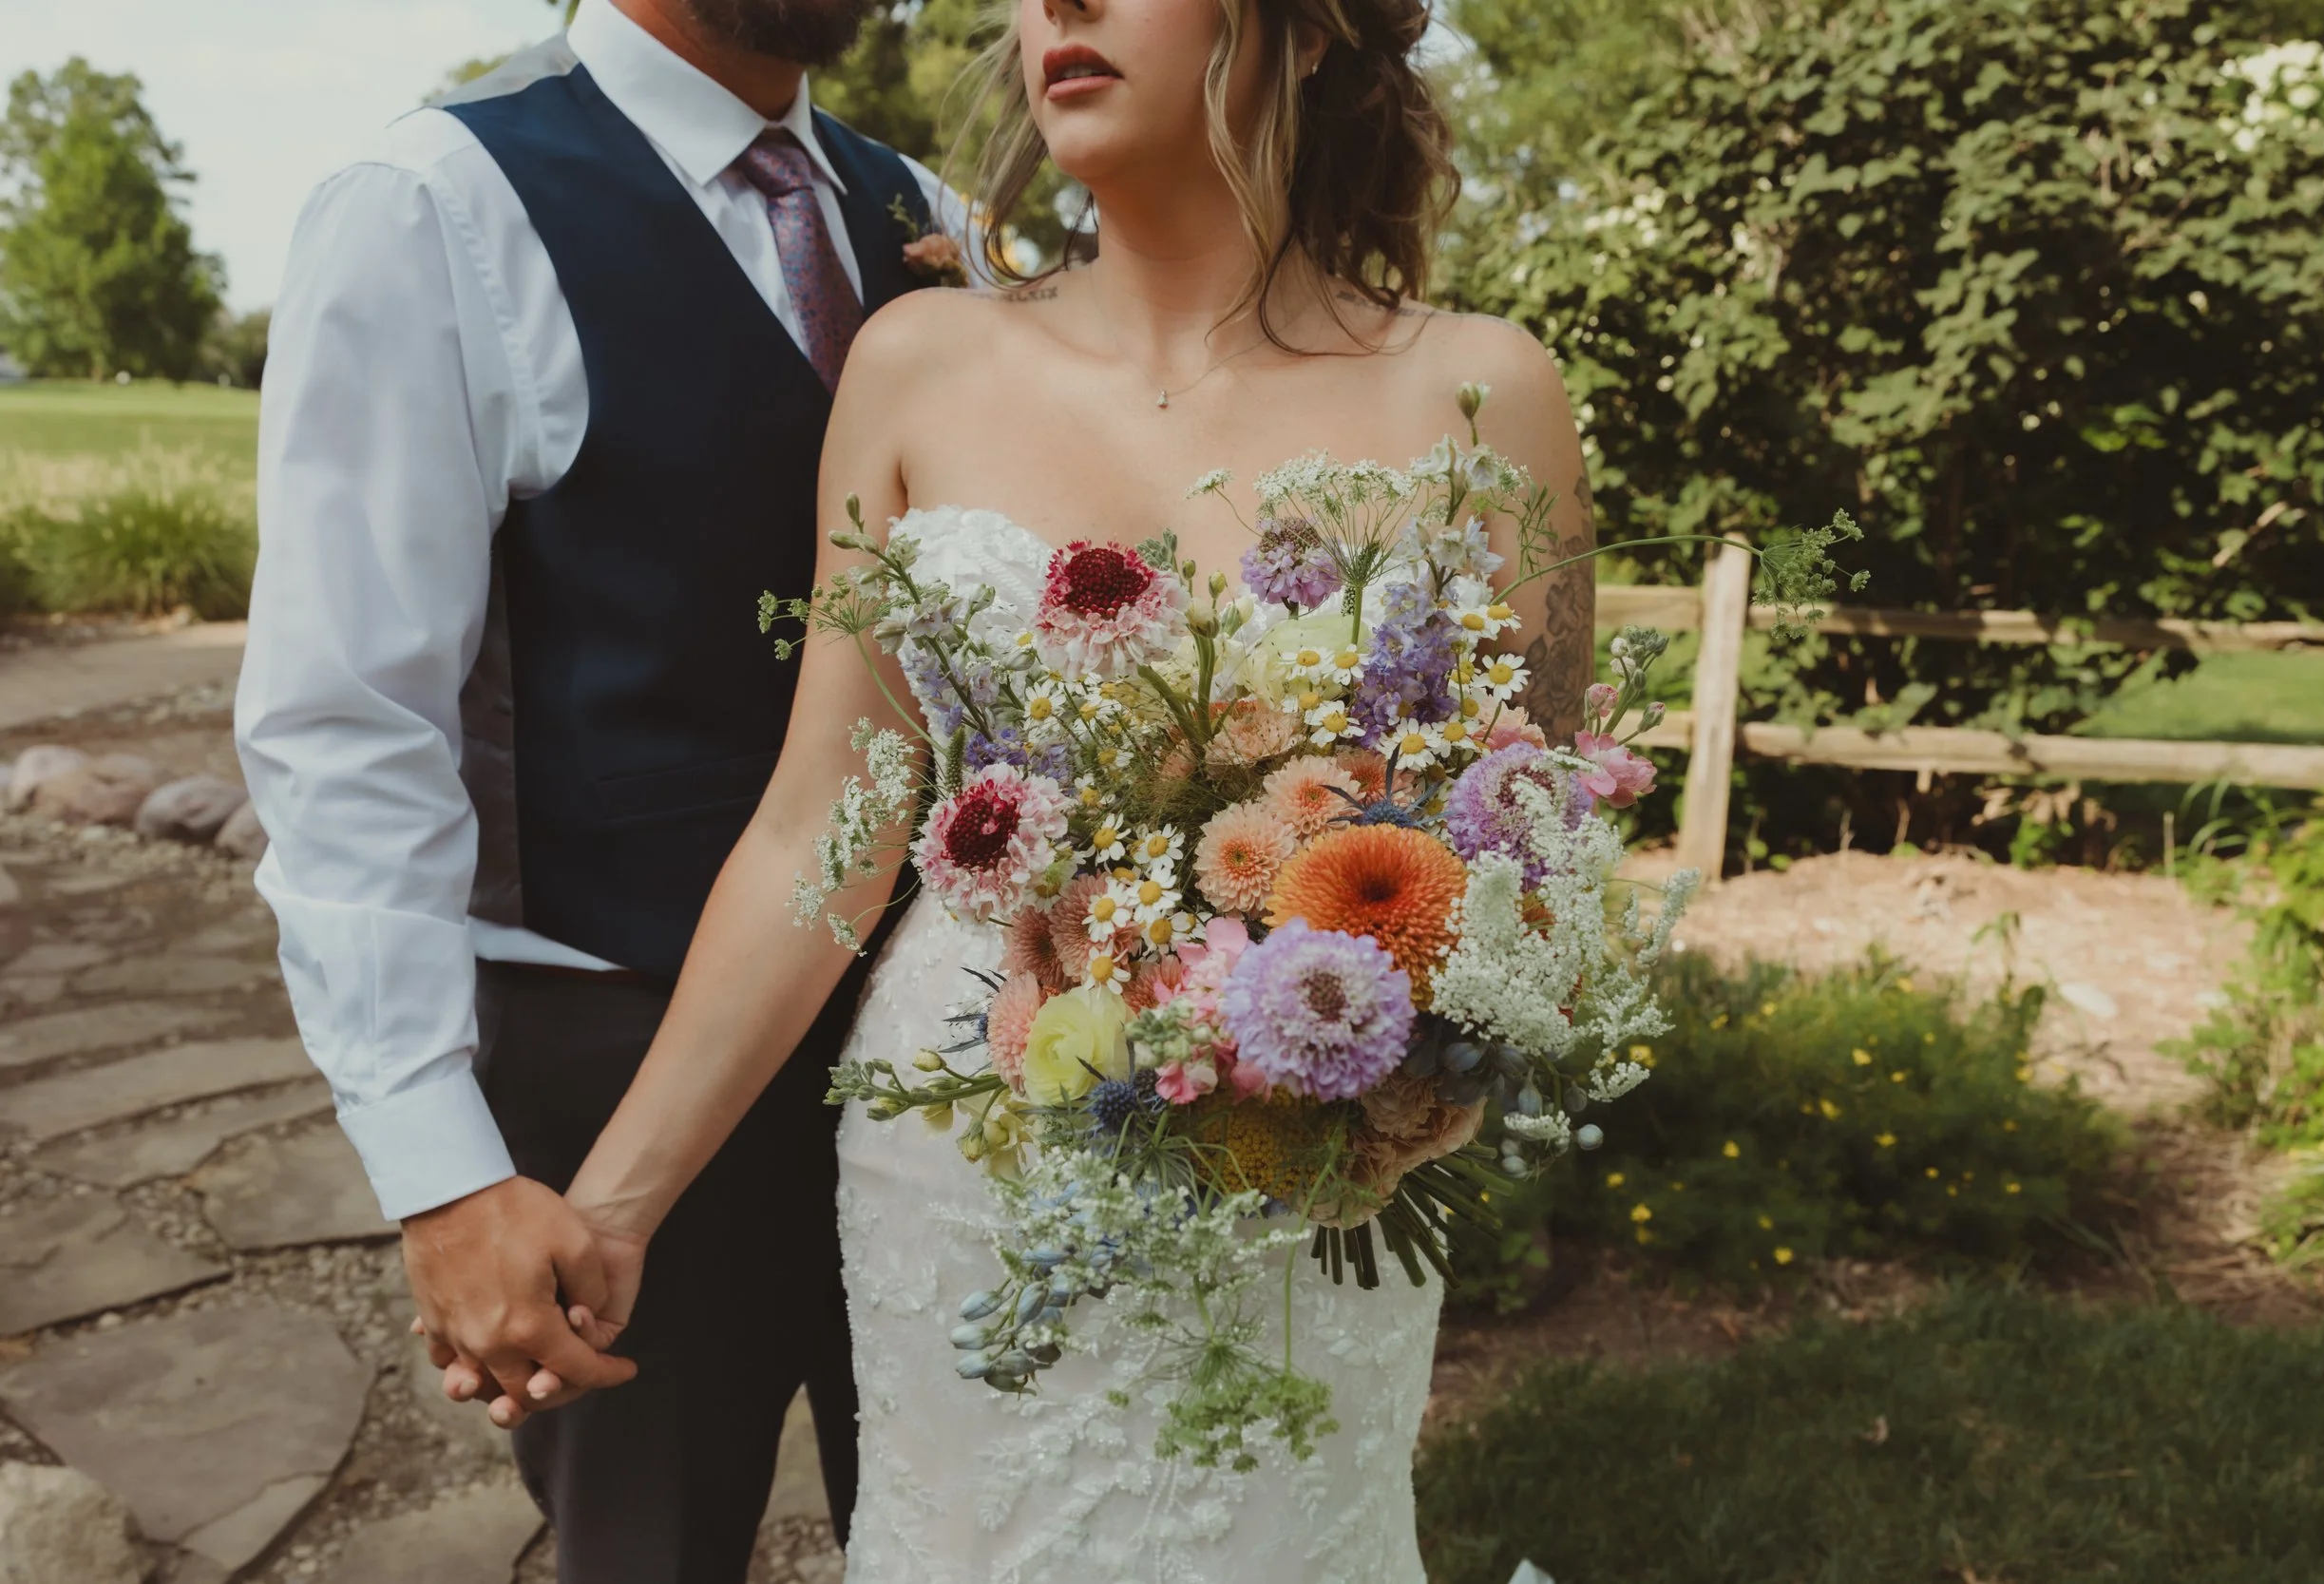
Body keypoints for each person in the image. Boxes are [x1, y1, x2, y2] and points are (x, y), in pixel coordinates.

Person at [504, 0, 1605, 1575]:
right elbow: (828, 822)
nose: (1059, 5)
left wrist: (1402, 1064)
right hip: (962, 1160)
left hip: (1313, 1169)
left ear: (1306, 32)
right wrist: (612, 1204)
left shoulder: (1487, 393)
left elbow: (1532, 857)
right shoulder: (916, 363)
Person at [232, 0, 973, 1577]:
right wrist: (442, 1171)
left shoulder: (927, 215)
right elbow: (346, 722)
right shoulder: (439, 204)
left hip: (937, 1074)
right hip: (604, 1072)